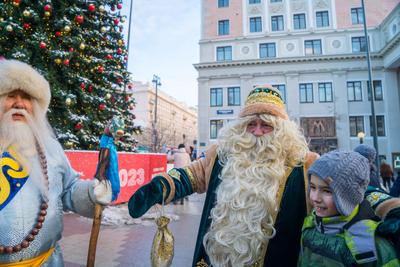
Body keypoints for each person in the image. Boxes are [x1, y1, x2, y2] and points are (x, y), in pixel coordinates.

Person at [128, 85, 400, 267]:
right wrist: (158, 187)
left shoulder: (304, 163)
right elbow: (192, 174)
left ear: (281, 129)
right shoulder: (222, 155)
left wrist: (390, 208)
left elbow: (351, 186)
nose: (257, 132)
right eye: (251, 124)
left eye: (266, 126)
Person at [0, 59, 113, 266]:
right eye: (10, 96)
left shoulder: (50, 148)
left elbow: (68, 189)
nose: (19, 104)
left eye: (26, 98)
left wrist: (91, 193)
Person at [298, 150, 399, 266]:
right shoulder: (310, 225)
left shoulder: (370, 245)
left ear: (348, 195)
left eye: (327, 191)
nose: (315, 198)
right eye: (312, 187)